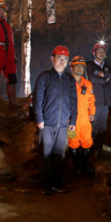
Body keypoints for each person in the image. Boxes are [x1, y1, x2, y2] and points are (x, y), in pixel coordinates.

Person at [32, 45, 77, 195]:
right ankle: (45, 185)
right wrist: (39, 118)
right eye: (59, 58)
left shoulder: (69, 80)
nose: (62, 61)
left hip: (63, 124)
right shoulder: (44, 77)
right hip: (47, 123)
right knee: (45, 154)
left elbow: (73, 100)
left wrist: (73, 121)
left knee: (59, 155)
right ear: (52, 59)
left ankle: (57, 183)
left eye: (65, 59)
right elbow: (37, 99)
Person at [86, 41, 111, 151]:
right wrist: (106, 79)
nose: (101, 53)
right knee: (91, 128)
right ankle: (89, 151)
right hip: (94, 102)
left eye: (103, 51)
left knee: (102, 128)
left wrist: (104, 74)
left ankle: (99, 150)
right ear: (94, 53)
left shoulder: (108, 66)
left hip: (105, 102)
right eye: (99, 51)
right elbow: (92, 78)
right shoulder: (89, 65)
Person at [68, 56, 96, 175]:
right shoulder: (67, 82)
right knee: (73, 143)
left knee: (87, 142)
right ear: (72, 67)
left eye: (81, 66)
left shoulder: (87, 83)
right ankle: (76, 167)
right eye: (77, 66)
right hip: (71, 120)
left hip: (85, 118)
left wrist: (92, 112)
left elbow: (91, 99)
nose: (79, 68)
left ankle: (84, 166)